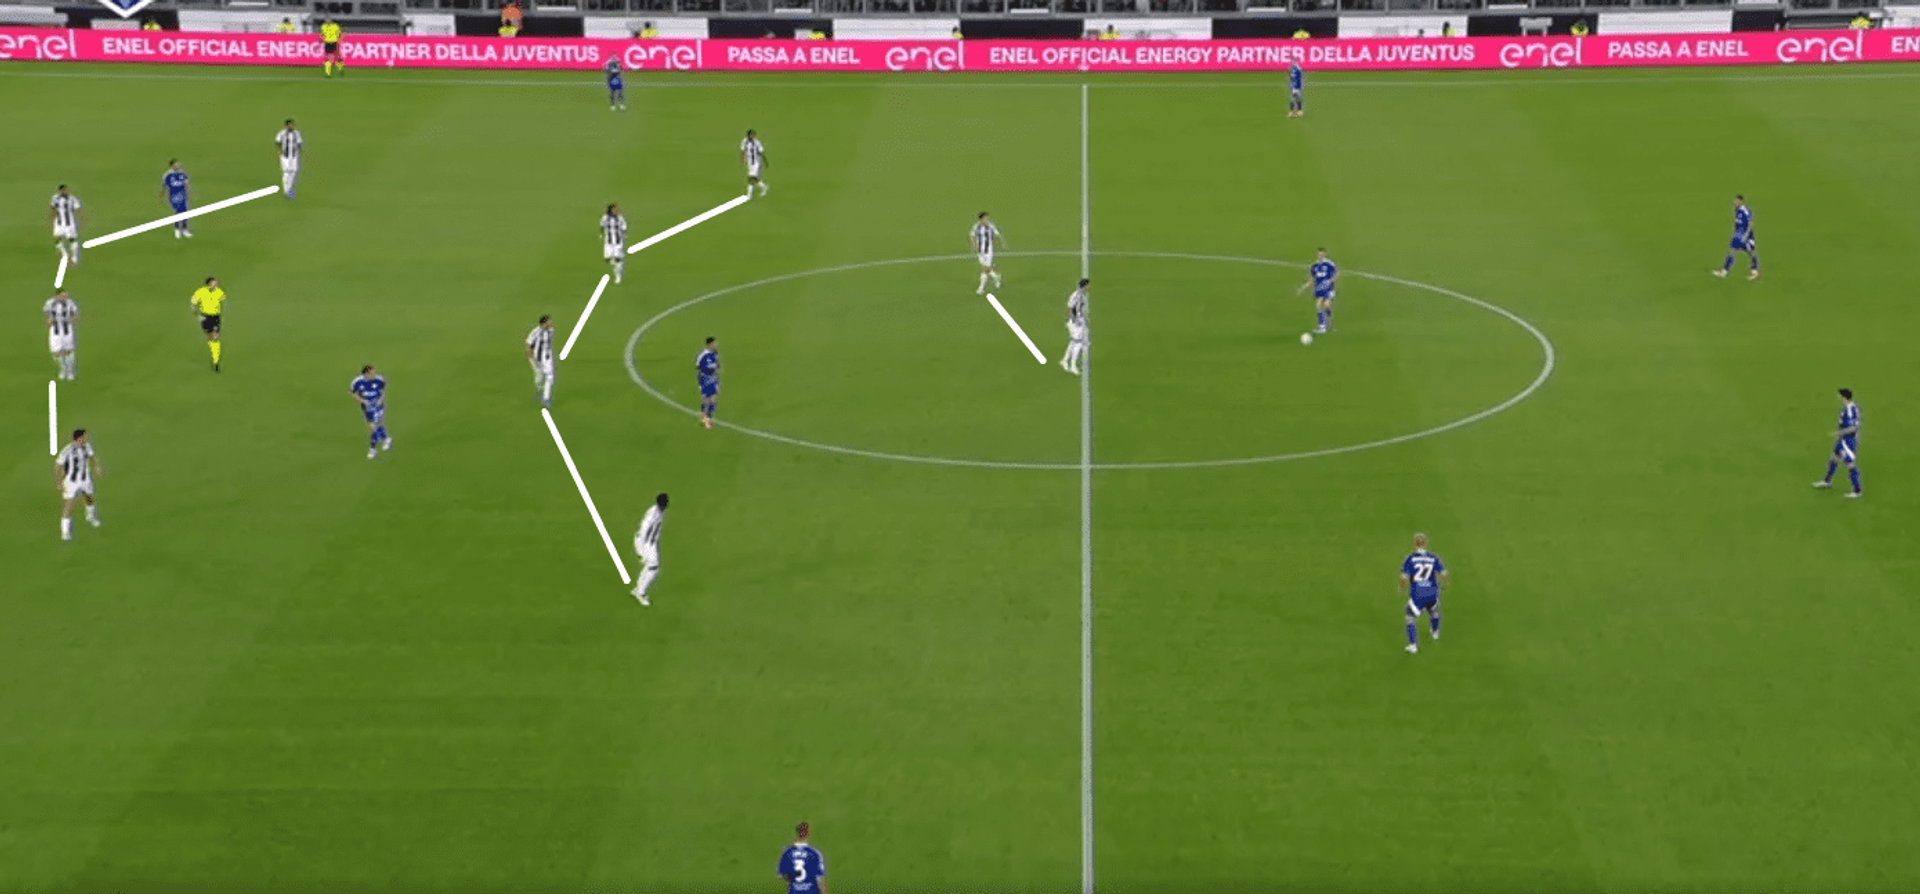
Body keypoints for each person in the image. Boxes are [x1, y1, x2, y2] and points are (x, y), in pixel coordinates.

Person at [1400, 533, 1448, 654]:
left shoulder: (1410, 559)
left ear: (1415, 544)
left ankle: (1413, 646)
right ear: (1425, 544)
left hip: (1418, 594)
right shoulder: (1433, 557)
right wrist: (1444, 584)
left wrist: (1402, 588)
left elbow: (1404, 577)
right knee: (1434, 611)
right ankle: (1435, 632)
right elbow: (1444, 574)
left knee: (1410, 617)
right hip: (1432, 592)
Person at [54, 428, 103, 542]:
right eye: (85, 436)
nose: (87, 438)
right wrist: (60, 481)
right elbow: (59, 466)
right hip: (72, 482)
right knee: (69, 505)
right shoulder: (68, 450)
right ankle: (65, 532)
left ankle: (91, 517)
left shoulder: (87, 447)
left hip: (85, 479)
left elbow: (91, 457)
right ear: (79, 438)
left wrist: (97, 467)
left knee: (90, 499)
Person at [1814, 388, 1863, 498]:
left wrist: (1840, 433)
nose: (1839, 399)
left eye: (1840, 397)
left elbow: (1854, 427)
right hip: (1843, 439)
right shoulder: (1849, 408)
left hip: (1848, 441)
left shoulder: (1850, 410)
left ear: (1844, 398)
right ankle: (1827, 481)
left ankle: (1857, 491)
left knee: (1850, 464)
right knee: (1834, 459)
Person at [631, 493, 668, 606]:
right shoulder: (652, 516)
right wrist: (641, 552)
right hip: (645, 544)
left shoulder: (660, 511)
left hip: (652, 543)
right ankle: (640, 593)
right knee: (653, 568)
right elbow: (643, 532)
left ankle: (638, 589)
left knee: (651, 568)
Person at [1713, 194, 1760, 280]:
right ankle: (1724, 272)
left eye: (1737, 201)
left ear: (1742, 201)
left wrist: (1745, 236)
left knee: (1751, 252)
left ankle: (1755, 272)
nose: (1735, 202)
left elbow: (1749, 224)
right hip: (1738, 235)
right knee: (1732, 251)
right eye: (1735, 200)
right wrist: (1736, 234)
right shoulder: (1736, 210)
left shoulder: (1745, 210)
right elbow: (1737, 224)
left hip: (1746, 236)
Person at [350, 365, 392, 459]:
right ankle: (386, 440)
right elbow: (352, 392)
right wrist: (361, 401)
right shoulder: (357, 381)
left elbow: (383, 390)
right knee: (375, 426)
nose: (375, 374)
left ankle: (373, 449)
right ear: (367, 374)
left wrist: (380, 401)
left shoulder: (379, 379)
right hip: (367, 407)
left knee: (373, 426)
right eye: (372, 372)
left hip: (378, 406)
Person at [1295, 247, 1338, 334]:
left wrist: (1329, 282)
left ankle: (1327, 323)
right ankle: (1322, 327)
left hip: (1329, 288)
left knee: (1326, 306)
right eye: (1319, 254)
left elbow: (1336, 274)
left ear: (1324, 254)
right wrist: (1303, 287)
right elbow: (1312, 279)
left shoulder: (1330, 264)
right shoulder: (1314, 266)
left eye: (1321, 254)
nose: (1320, 256)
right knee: (1319, 306)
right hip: (1319, 289)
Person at [778, 822, 828, 894]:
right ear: (808, 834)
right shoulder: (814, 853)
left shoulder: (788, 853)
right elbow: (820, 878)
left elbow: (783, 874)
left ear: (796, 834)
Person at [188, 276, 226, 372]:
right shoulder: (200, 292)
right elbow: (192, 304)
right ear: (209, 284)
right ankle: (214, 354)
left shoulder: (218, 292)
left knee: (216, 337)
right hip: (205, 317)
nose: (215, 284)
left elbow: (222, 300)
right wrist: (197, 315)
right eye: (213, 283)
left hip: (216, 317)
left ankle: (215, 360)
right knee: (210, 338)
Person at [45, 289, 79, 381]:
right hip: (55, 330)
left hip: (67, 330)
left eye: (65, 295)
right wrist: (48, 322)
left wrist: (73, 320)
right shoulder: (50, 303)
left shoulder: (70, 303)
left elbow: (75, 314)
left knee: (68, 351)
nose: (65, 297)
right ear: (56, 295)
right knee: (56, 352)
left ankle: (70, 372)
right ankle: (63, 369)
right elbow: (47, 314)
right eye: (63, 295)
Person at [1059, 278, 1089, 376]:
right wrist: (1075, 321)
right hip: (1076, 323)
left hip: (1079, 322)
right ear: (1085, 286)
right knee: (1078, 343)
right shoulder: (1077, 296)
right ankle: (1072, 365)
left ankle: (1064, 361)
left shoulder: (1081, 295)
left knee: (1074, 343)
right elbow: (1070, 309)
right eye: (1088, 285)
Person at [526, 315, 556, 408]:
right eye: (549, 321)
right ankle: (538, 390)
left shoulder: (550, 331)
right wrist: (532, 358)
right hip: (537, 359)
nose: (551, 323)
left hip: (547, 358)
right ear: (544, 323)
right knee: (540, 378)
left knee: (550, 376)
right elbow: (529, 345)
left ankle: (546, 398)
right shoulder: (535, 333)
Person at [50, 183, 83, 266]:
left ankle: (75, 258)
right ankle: (64, 254)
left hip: (70, 223)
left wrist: (79, 219)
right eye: (63, 190)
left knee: (72, 240)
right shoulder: (55, 198)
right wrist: (52, 216)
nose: (65, 191)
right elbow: (52, 208)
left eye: (66, 190)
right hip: (59, 222)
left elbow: (77, 209)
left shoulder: (72, 199)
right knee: (58, 240)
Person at [971, 211, 1004, 294]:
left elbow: (997, 235)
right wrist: (975, 247)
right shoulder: (976, 227)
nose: (987, 220)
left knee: (984, 269)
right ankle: (996, 277)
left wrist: (996, 242)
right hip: (980, 251)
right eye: (985, 218)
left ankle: (981, 288)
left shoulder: (990, 226)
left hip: (988, 251)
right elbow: (973, 236)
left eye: (987, 218)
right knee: (986, 268)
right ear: (980, 219)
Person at [162, 159, 192, 239]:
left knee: (185, 211)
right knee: (178, 211)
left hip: (182, 195)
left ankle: (184, 229)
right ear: (171, 166)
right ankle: (177, 229)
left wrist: (188, 192)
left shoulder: (182, 173)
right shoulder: (168, 175)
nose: (178, 165)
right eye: (176, 164)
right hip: (173, 195)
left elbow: (186, 184)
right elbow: (164, 185)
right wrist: (163, 195)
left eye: (178, 164)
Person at [696, 337, 720, 429]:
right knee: (706, 400)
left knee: (712, 400)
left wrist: (717, 382)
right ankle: (704, 419)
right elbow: (699, 369)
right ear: (708, 345)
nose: (714, 345)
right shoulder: (703, 355)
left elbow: (716, 369)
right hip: (705, 380)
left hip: (713, 380)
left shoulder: (715, 354)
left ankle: (709, 418)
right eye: (712, 344)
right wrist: (700, 383)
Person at [276, 118, 303, 200]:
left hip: (294, 156)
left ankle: (289, 188)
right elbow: (278, 142)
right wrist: (281, 151)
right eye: (291, 125)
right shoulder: (282, 134)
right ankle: (287, 190)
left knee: (294, 171)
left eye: (293, 124)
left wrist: (297, 152)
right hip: (285, 156)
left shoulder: (296, 134)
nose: (293, 126)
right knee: (287, 171)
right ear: (286, 126)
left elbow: (299, 143)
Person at [601, 203, 627, 284]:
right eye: (615, 209)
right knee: (607, 259)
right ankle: (616, 264)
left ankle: (618, 276)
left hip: (618, 243)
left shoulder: (620, 218)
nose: (617, 211)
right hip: (608, 242)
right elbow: (602, 226)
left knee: (618, 259)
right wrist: (601, 234)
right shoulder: (605, 218)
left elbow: (624, 228)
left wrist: (623, 236)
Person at [740, 128, 769, 199]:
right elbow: (742, 151)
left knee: (751, 178)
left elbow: (762, 153)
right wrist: (742, 159)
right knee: (754, 178)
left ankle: (749, 195)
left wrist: (765, 161)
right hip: (749, 162)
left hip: (756, 162)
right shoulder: (745, 141)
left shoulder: (757, 143)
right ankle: (764, 187)